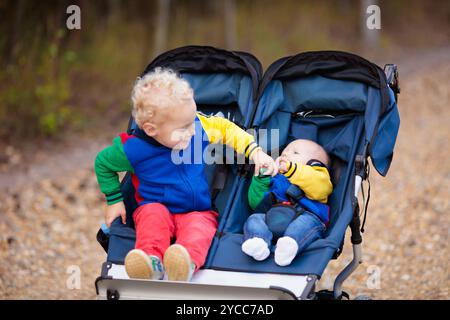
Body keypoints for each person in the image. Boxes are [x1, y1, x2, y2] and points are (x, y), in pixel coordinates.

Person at [94, 67, 276, 281]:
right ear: (151, 129)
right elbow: (103, 163)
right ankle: (151, 262)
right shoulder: (133, 149)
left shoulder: (198, 127)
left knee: (200, 229)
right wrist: (114, 200)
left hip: (196, 209)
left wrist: (254, 151)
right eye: (183, 128)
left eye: (193, 121)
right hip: (154, 206)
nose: (192, 131)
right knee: (152, 219)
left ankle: (185, 262)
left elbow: (228, 130)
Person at [242, 139, 333, 266]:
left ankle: (290, 244)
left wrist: (292, 169)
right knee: (254, 218)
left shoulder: (318, 175)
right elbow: (256, 203)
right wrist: (261, 178)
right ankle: (258, 241)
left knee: (305, 223)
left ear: (315, 163)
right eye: (285, 151)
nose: (285, 154)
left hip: (305, 216)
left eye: (295, 152)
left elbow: (320, 189)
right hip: (273, 217)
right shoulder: (275, 177)